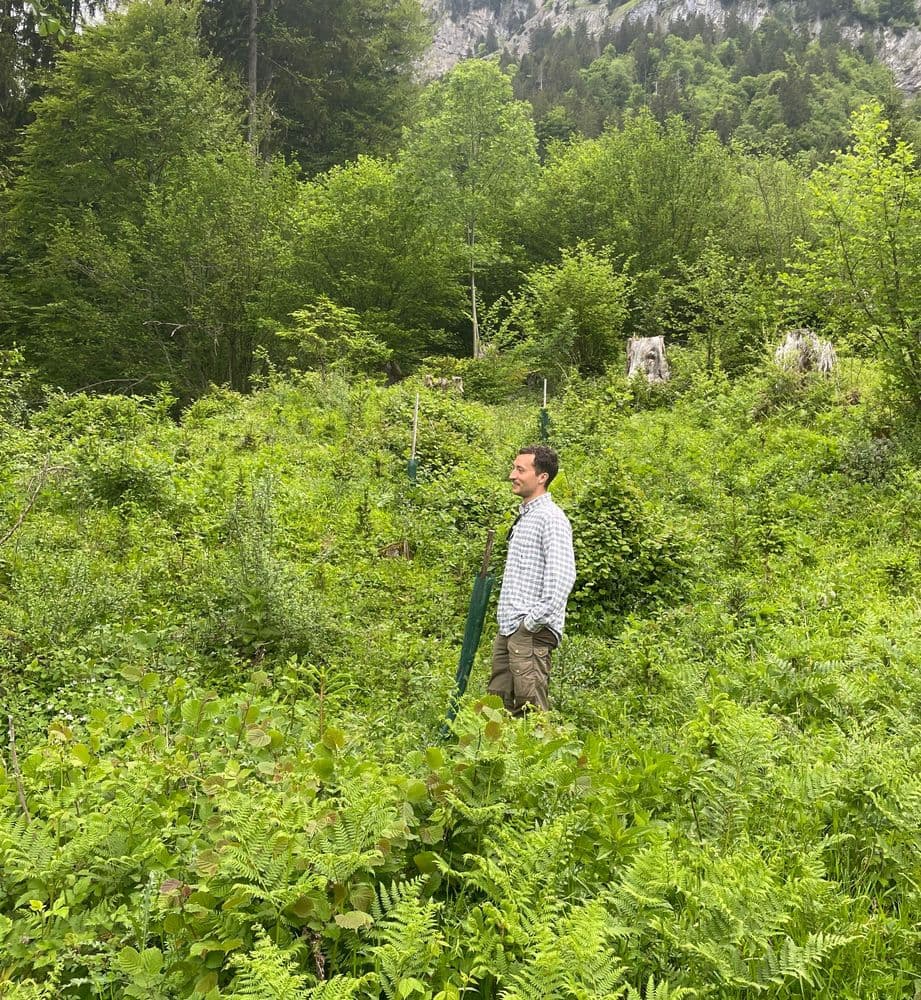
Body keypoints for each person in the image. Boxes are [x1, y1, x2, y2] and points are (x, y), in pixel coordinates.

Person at [488, 445, 576, 715]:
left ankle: (541, 757)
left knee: (530, 712)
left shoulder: (551, 519)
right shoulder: (526, 518)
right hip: (509, 629)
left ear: (542, 477)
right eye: (513, 468)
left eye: (520, 469)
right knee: (496, 709)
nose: (512, 475)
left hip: (529, 632)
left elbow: (562, 579)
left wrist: (529, 625)